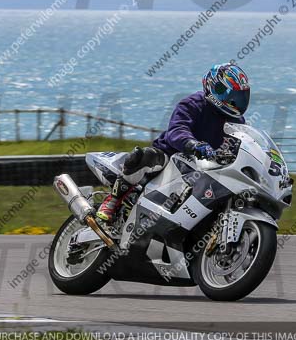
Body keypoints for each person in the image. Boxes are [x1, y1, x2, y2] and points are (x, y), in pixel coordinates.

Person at [96, 63, 251, 223]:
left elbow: (242, 143)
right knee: (147, 156)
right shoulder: (193, 104)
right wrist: (193, 144)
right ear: (216, 89)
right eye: (233, 97)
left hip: (206, 168)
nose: (235, 102)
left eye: (240, 97)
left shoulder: (237, 121)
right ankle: (113, 200)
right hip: (172, 155)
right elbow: (177, 129)